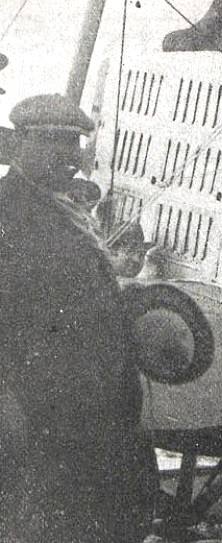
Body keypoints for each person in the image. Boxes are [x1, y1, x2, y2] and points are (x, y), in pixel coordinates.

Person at [0, 94, 155, 543]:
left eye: (74, 144)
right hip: (41, 418)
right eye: (55, 143)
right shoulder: (8, 212)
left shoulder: (63, 209)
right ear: (21, 142)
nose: (71, 158)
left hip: (96, 413)